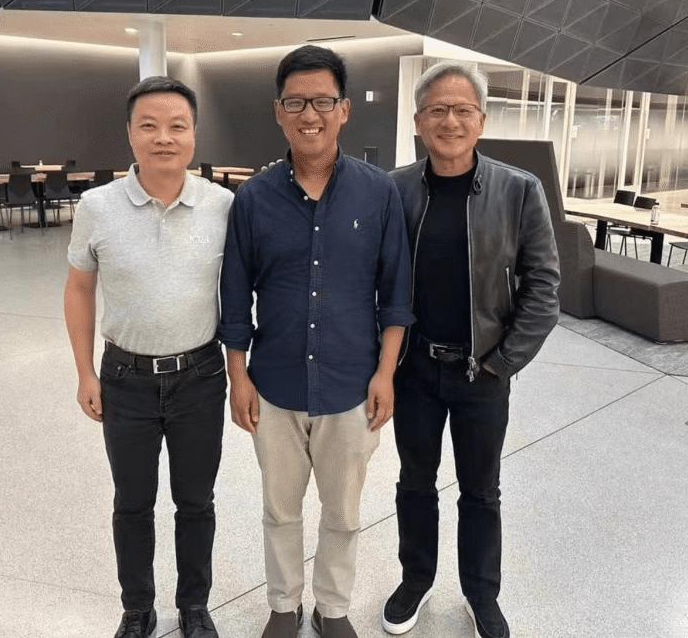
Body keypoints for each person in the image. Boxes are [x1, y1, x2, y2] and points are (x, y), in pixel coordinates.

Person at [219, 45, 414, 638]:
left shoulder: (378, 193)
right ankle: (284, 605)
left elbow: (396, 294)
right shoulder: (254, 199)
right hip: (274, 386)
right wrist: (237, 376)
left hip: (351, 385)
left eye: (324, 101)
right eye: (296, 102)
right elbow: (234, 298)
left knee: (344, 513)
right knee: (279, 510)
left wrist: (385, 374)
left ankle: (332, 609)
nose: (310, 115)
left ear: (344, 110)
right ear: (278, 112)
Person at [383, 62, 560, 638]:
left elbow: (543, 287)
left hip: (482, 370)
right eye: (437, 110)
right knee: (414, 482)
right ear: (418, 121)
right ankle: (415, 579)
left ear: (481, 121)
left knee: (481, 490)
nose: (450, 121)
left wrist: (502, 363)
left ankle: (482, 594)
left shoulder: (519, 190)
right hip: (413, 369)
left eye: (463, 110)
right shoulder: (395, 189)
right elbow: (375, 280)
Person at [64, 76, 233, 638]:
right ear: (130, 134)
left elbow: (241, 293)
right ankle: (137, 608)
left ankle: (194, 606)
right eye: (150, 126)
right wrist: (85, 372)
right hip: (125, 378)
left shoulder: (222, 205)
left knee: (196, 501)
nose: (164, 137)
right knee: (132, 503)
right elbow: (79, 288)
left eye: (177, 126)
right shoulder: (97, 206)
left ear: (194, 135)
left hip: (200, 377)